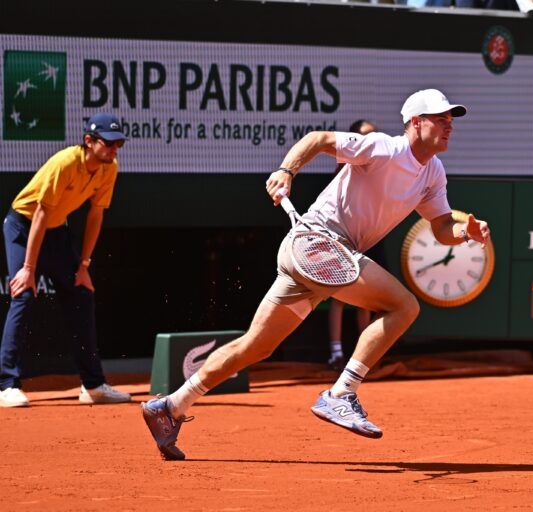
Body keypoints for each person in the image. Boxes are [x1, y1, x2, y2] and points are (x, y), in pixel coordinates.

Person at [140, 88, 491, 460]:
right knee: (404, 306)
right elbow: (318, 139)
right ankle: (341, 392)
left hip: (324, 257)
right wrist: (285, 171)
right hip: (317, 245)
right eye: (441, 119)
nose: (449, 126)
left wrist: (464, 233)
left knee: (256, 346)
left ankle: (170, 406)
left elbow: (440, 226)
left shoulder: (433, 173)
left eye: (451, 120)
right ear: (416, 123)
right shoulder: (384, 148)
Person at [0, 113, 132, 407]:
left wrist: (83, 266)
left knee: (82, 294)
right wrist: (29, 269)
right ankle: (6, 385)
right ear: (89, 141)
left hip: (56, 231)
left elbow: (96, 214)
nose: (114, 149)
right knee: (23, 294)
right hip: (23, 225)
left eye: (118, 144)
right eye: (109, 143)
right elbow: (40, 214)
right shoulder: (65, 163)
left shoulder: (109, 169)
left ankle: (93, 386)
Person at [326, 119, 383, 371]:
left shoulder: (379, 167)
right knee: (339, 296)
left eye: (374, 135)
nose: (371, 140)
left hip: (366, 236)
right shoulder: (344, 169)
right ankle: (335, 353)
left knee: (366, 297)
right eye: (364, 135)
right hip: (340, 236)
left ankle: (364, 356)